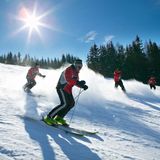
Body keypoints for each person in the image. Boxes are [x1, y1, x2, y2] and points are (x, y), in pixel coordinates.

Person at [44, 59, 88, 126]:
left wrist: (82, 86)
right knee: (64, 104)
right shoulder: (69, 69)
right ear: (75, 65)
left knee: (71, 103)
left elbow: (75, 82)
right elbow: (69, 79)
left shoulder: (76, 73)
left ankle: (59, 118)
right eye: (78, 66)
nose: (79, 68)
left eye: (80, 66)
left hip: (68, 90)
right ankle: (49, 117)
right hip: (61, 88)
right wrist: (78, 82)